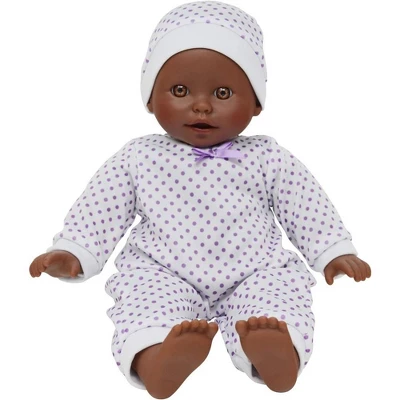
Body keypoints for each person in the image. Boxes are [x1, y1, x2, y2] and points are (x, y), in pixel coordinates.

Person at [29, 2, 371, 399]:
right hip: (163, 271)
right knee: (143, 306)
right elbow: (101, 207)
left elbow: (305, 203)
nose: (202, 105)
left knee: (279, 299)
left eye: (223, 93)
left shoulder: (266, 156)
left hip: (253, 270)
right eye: (180, 90)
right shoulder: (139, 156)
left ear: (256, 103)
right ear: (150, 99)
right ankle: (158, 359)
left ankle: (275, 351)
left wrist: (332, 250)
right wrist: (74, 250)